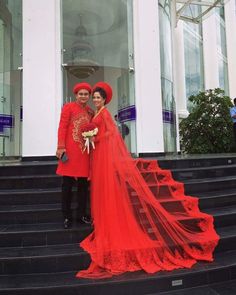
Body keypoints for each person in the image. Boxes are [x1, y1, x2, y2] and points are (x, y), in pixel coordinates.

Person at [76, 82, 219, 279]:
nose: (96, 100)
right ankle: (101, 221)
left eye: (98, 97)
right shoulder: (97, 113)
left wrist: (95, 136)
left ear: (105, 99)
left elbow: (112, 133)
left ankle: (108, 225)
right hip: (98, 156)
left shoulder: (105, 114)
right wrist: (90, 136)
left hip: (103, 156)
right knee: (99, 189)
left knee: (106, 188)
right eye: (94, 97)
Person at [56, 82, 94, 229]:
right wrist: (61, 146)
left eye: (86, 94)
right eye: (80, 94)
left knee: (83, 186)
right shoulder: (68, 108)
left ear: (89, 96)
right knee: (67, 185)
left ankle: (82, 215)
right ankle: (66, 216)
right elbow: (62, 127)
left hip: (84, 154)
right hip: (70, 152)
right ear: (76, 95)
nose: (83, 96)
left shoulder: (90, 112)